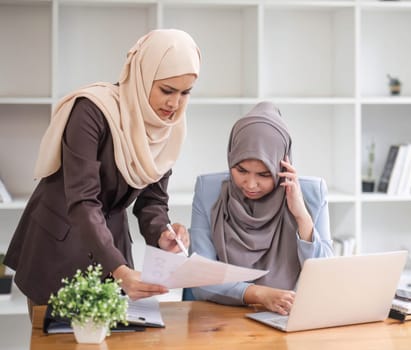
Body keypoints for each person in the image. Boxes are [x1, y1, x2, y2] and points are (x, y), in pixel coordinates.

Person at [4, 29, 201, 316]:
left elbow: (152, 202)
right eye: (167, 90)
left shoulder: (167, 128)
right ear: (143, 76)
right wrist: (119, 268)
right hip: (58, 245)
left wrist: (162, 233)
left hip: (111, 248)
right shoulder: (91, 111)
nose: (174, 105)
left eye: (185, 93)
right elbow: (83, 200)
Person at [188, 101, 334, 316]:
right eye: (241, 170)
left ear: (282, 166)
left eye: (264, 174)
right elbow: (201, 276)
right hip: (222, 318)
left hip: (287, 316)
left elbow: (325, 277)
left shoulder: (312, 193)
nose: (250, 184)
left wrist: (301, 216)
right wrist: (259, 294)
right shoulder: (209, 191)